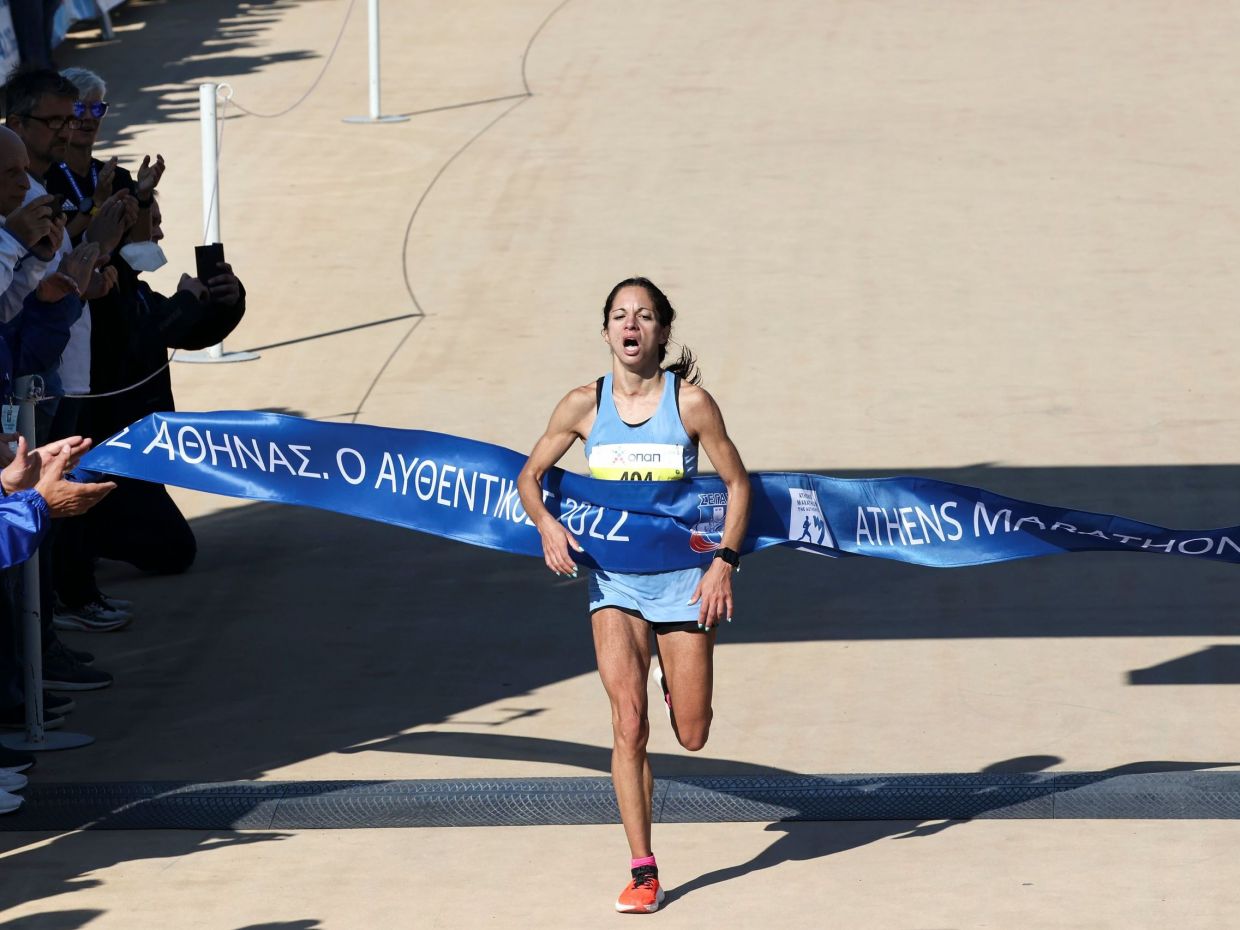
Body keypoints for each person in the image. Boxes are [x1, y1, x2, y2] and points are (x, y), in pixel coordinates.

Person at [517, 277, 751, 914]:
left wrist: (724, 563)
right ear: (606, 332)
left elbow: (737, 484)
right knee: (627, 724)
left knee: (694, 734)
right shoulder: (582, 406)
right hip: (613, 582)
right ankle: (643, 869)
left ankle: (677, 684)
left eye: (644, 315)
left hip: (683, 584)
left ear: (661, 333)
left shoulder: (693, 405)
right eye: (621, 315)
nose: (631, 324)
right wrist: (546, 523)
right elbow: (530, 476)